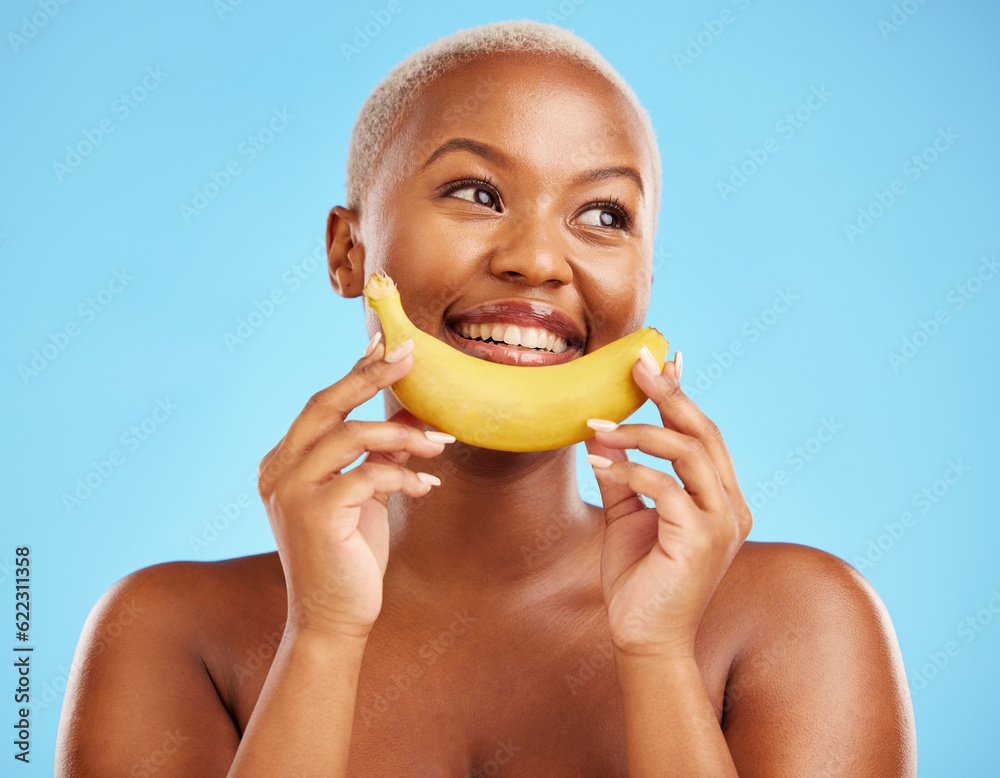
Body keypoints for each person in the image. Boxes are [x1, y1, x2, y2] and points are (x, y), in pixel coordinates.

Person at [56, 20, 917, 777]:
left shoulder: (800, 622)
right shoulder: (169, 635)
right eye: (477, 193)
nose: (538, 260)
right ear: (348, 253)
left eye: (605, 215)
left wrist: (656, 655)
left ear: (648, 273)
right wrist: (320, 638)